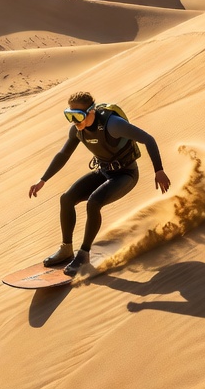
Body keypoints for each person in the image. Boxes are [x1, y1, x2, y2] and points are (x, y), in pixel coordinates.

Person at [28, 92, 170, 277]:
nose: (74, 121)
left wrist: (158, 170)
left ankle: (84, 254)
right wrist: (43, 179)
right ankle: (66, 249)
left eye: (78, 116)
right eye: (69, 115)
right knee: (66, 198)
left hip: (126, 175)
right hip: (103, 171)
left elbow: (148, 139)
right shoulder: (77, 130)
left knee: (94, 203)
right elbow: (63, 155)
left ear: (91, 112)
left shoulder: (113, 125)